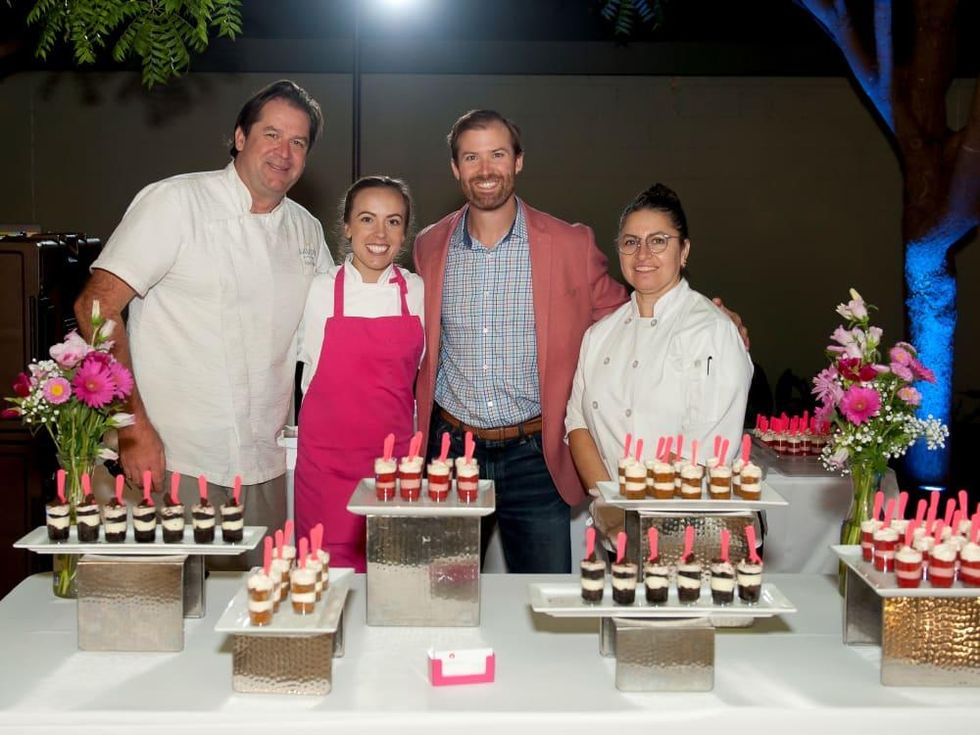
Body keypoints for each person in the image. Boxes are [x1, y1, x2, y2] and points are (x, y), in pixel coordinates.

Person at [414, 111, 749, 574]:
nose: (485, 168)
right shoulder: (430, 246)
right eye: (472, 156)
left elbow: (630, 312)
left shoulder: (569, 244)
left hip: (535, 454)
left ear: (519, 161)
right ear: (455, 168)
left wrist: (712, 318)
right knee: (445, 592)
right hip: (451, 452)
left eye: (498, 154)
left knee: (543, 603)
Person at [74, 80, 330, 565]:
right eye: (271, 134)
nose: (284, 152)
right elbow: (96, 307)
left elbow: (325, 340)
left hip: (265, 468)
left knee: (255, 624)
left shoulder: (306, 230)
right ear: (239, 137)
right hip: (171, 459)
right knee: (163, 620)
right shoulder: (175, 202)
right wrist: (132, 428)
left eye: (298, 142)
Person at [566, 183, 753, 497]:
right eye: (631, 242)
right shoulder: (599, 335)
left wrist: (636, 509)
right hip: (616, 521)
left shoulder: (713, 331)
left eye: (658, 241)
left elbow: (705, 448)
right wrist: (609, 505)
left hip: (690, 524)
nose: (642, 254)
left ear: (684, 251)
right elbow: (577, 424)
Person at [294, 176, 424, 571]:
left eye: (394, 221)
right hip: (326, 470)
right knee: (322, 584)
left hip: (394, 469)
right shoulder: (315, 291)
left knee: (394, 578)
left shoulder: (419, 292)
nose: (380, 233)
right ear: (347, 226)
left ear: (405, 231)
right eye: (367, 219)